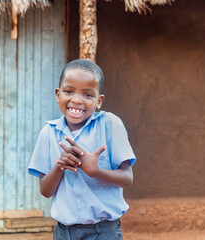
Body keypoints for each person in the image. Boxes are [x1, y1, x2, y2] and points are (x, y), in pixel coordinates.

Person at [28, 59, 136, 240]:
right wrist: (59, 167)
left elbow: (127, 178)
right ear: (58, 94)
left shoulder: (110, 125)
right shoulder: (48, 133)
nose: (76, 100)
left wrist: (95, 171)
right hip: (64, 233)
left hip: (103, 232)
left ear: (99, 101)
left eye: (87, 95)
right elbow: (45, 191)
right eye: (69, 91)